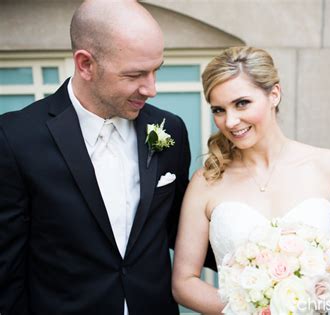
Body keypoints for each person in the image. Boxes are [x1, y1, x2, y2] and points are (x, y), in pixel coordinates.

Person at [0, 1, 214, 314]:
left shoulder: (171, 130)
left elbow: (178, 229)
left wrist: (265, 265)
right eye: (135, 74)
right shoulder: (15, 138)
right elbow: (7, 267)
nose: (151, 88)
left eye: (157, 70)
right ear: (85, 64)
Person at [172, 46, 330, 313]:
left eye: (241, 103)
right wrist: (249, 310)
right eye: (219, 110)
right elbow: (184, 283)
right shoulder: (205, 183)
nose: (231, 121)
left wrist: (313, 301)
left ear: (274, 94)